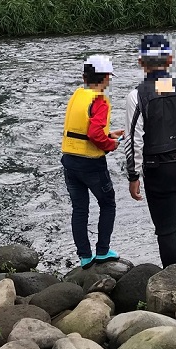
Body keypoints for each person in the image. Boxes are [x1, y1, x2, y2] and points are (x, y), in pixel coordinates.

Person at [124, 34, 176, 269]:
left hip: (158, 171)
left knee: (166, 228)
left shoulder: (136, 96)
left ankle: (174, 278)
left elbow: (133, 141)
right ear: (169, 60)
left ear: (141, 62)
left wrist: (133, 176)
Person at [61, 54, 124, 269]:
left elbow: (85, 129)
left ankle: (85, 257)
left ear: (84, 76)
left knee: (80, 209)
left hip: (69, 161)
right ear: (105, 78)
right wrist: (111, 144)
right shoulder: (100, 100)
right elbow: (95, 135)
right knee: (108, 204)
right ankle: (103, 251)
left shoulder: (77, 95)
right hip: (90, 164)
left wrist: (110, 134)